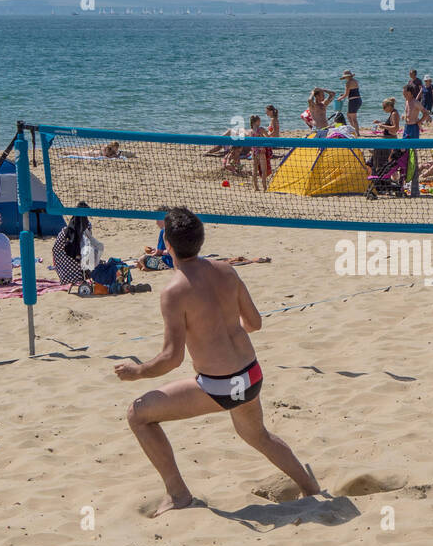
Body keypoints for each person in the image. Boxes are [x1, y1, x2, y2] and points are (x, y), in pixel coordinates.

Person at [115, 207, 321, 516]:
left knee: (138, 414)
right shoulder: (226, 269)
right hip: (250, 375)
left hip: (220, 386)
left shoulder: (174, 290)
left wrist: (138, 372)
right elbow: (254, 323)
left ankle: (179, 495)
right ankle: (309, 487)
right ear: (200, 240)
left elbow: (172, 358)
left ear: (167, 245)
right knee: (257, 435)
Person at [52, 211, 92, 286]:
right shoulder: (85, 231)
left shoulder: (64, 232)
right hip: (79, 271)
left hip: (64, 272)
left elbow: (55, 249)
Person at [247, 115, 273, 189]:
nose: (260, 122)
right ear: (257, 121)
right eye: (259, 120)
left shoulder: (250, 131)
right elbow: (268, 138)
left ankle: (255, 187)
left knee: (254, 170)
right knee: (264, 170)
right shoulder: (261, 129)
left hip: (254, 151)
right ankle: (264, 186)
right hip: (261, 151)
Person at [338, 70, 362, 136]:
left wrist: (340, 98)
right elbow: (353, 91)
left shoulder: (348, 83)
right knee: (349, 115)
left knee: (353, 118)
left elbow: (346, 94)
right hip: (358, 100)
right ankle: (354, 130)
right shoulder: (355, 81)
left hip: (353, 101)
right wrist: (344, 95)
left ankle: (356, 133)